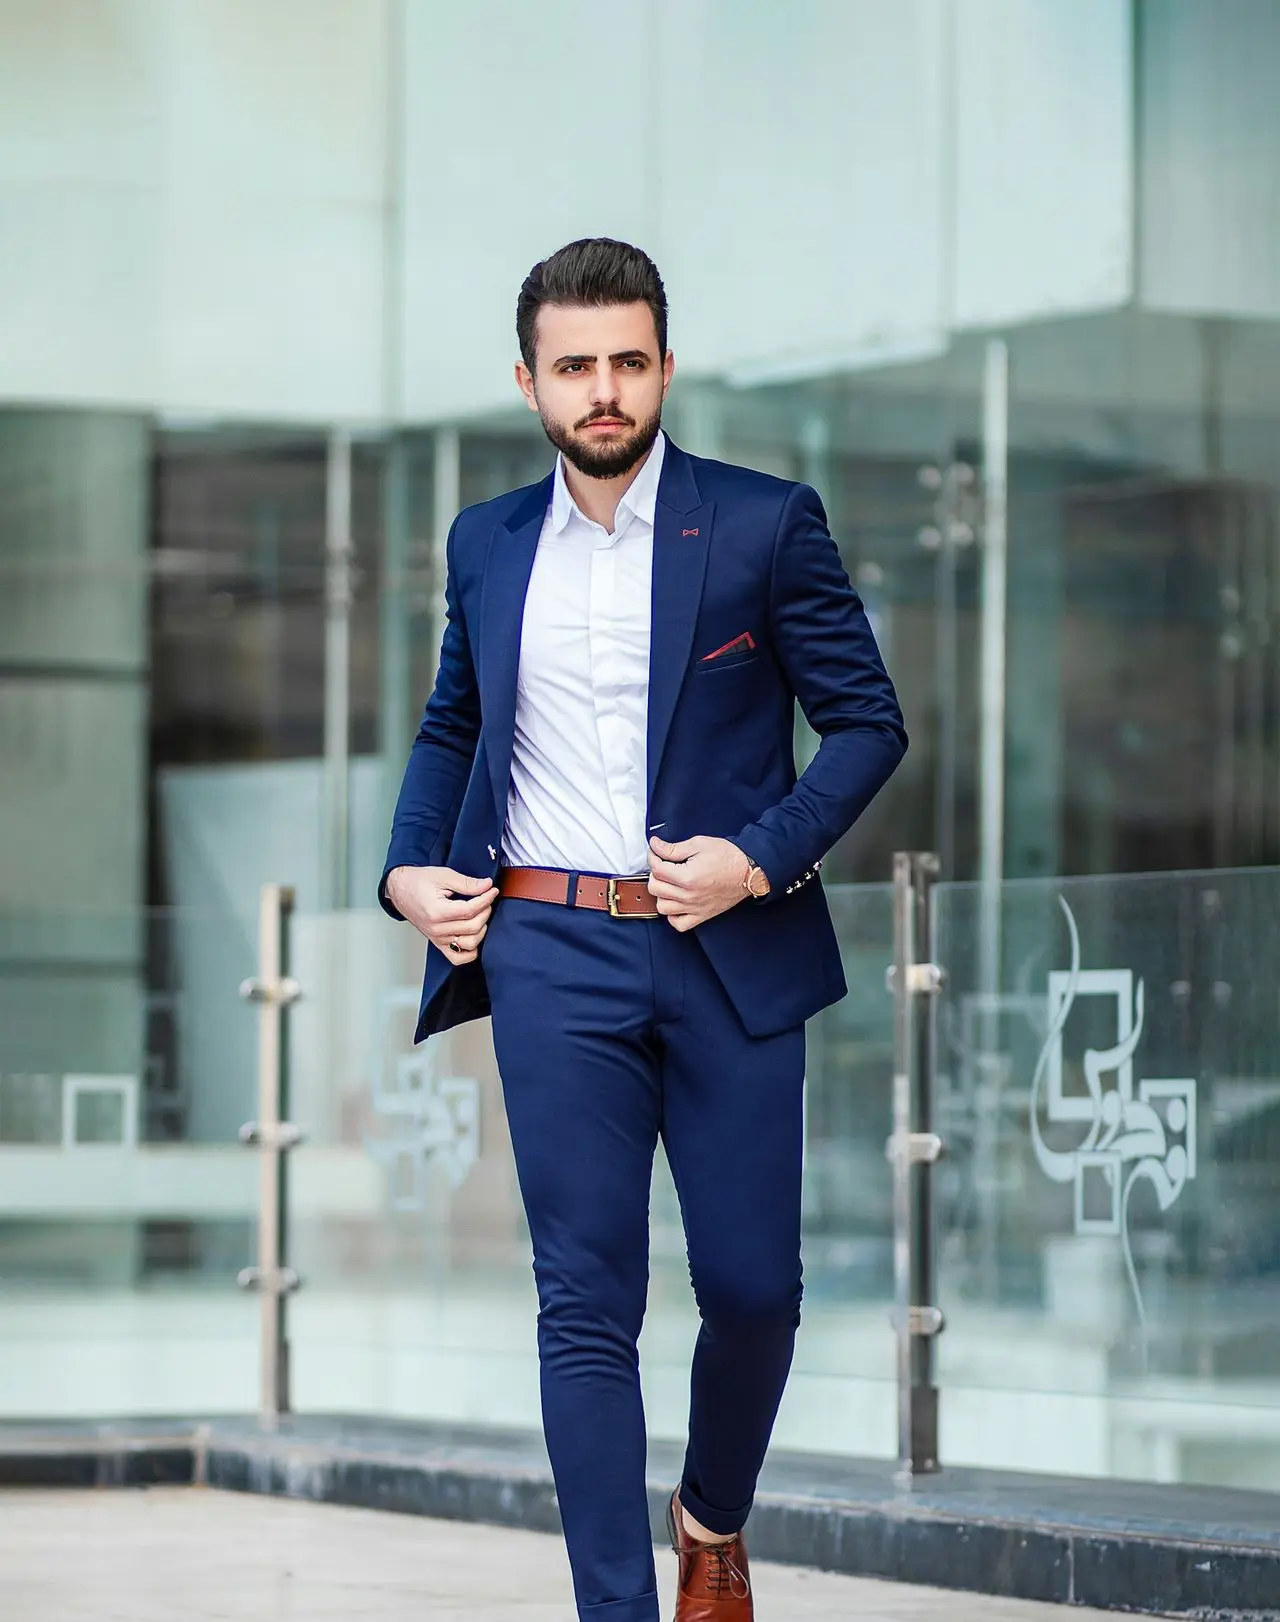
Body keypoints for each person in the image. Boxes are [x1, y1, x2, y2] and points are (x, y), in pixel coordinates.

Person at [380, 238, 906, 1622]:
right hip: (551, 946)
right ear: (529, 380)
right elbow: (455, 723)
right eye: (574, 366)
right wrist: (405, 874)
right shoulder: (486, 542)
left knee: (754, 1290)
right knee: (585, 1300)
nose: (602, 390)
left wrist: (759, 858)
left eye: (627, 360)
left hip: (728, 947)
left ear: (666, 365)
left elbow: (868, 722)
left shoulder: (762, 520)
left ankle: (712, 1518)